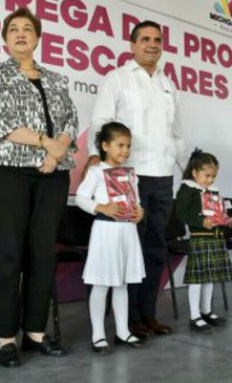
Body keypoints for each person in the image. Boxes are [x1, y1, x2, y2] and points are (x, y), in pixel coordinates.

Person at [0, 7, 78, 367]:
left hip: (53, 172)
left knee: (43, 253)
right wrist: (46, 143)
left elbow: (71, 120)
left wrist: (56, 152)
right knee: (8, 253)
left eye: (27, 29)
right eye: (13, 29)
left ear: (37, 37)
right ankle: (5, 337)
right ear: (4, 39)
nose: (20, 33)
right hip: (4, 169)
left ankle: (35, 332)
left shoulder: (57, 79)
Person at [86, 20, 186, 338]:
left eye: (157, 39)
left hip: (162, 176)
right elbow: (101, 121)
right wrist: (95, 160)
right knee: (131, 250)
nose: (152, 45)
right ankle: (126, 322)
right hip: (128, 177)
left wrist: (183, 169)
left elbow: (177, 133)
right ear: (132, 45)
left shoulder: (168, 85)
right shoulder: (117, 78)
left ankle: (147, 315)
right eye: (145, 39)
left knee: (156, 247)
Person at [76, 122, 146, 353]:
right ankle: (98, 334)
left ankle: (122, 331)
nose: (125, 151)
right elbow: (81, 198)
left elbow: (135, 201)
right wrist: (102, 207)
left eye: (128, 146)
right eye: (120, 145)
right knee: (102, 283)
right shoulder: (96, 171)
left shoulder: (130, 174)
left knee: (122, 283)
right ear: (105, 146)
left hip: (127, 232)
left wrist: (139, 212)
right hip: (105, 232)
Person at [174, 150, 232, 331]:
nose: (210, 180)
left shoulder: (213, 190)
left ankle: (207, 311)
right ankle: (194, 316)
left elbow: (218, 212)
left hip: (215, 238)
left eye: (213, 176)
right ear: (194, 172)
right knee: (197, 279)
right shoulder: (187, 188)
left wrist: (227, 219)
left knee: (210, 277)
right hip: (200, 238)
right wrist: (201, 221)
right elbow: (181, 212)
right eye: (207, 175)